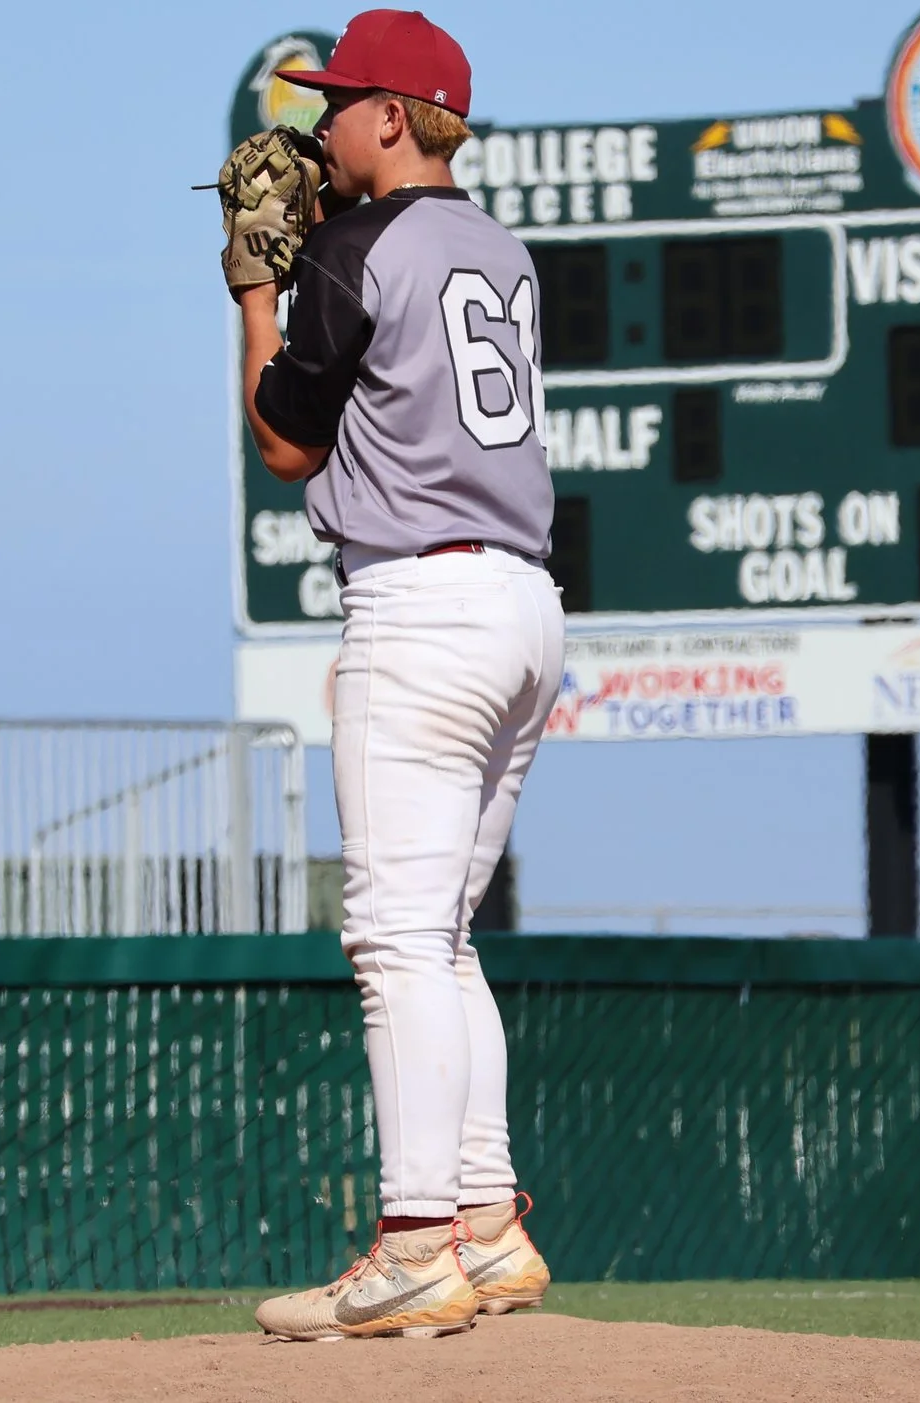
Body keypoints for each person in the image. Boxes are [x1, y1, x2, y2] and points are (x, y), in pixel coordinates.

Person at [227, 10, 563, 1340]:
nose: (318, 125)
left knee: (391, 940)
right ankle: (488, 1219)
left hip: (420, 600)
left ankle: (416, 1234)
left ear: (392, 116)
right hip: (527, 601)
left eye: (339, 101)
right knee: (446, 935)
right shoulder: (503, 247)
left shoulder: (358, 248)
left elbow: (283, 444)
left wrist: (257, 286)